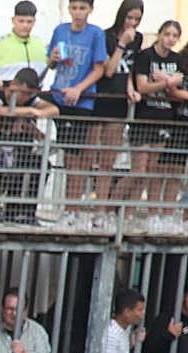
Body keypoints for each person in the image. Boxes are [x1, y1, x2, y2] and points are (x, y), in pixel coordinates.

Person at [46, 0, 108, 232]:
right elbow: (51, 63)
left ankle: (75, 209)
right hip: (60, 95)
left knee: (80, 157)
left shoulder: (95, 34)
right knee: (68, 157)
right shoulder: (60, 30)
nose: (78, 13)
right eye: (74, 8)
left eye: (82, 8)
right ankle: (69, 209)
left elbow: (99, 68)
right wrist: (52, 58)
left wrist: (79, 89)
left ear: (90, 10)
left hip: (82, 100)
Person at [0, 68, 60, 225]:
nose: (25, 97)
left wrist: (32, 114)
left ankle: (25, 212)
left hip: (19, 149)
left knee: (40, 166)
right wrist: (29, 111)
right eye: (23, 93)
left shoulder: (31, 99)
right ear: (13, 84)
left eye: (29, 94)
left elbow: (53, 110)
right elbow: (0, 110)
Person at [131, 20, 184, 235]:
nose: (170, 39)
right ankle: (123, 211)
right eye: (167, 34)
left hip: (165, 117)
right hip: (145, 116)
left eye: (174, 36)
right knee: (139, 170)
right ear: (159, 34)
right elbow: (143, 86)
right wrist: (167, 82)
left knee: (154, 170)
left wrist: (168, 81)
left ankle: (153, 216)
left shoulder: (177, 59)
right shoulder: (145, 56)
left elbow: (178, 86)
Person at [91, 1, 143, 213]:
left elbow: (130, 70)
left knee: (108, 161)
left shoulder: (138, 39)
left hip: (119, 103)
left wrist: (131, 87)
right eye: (129, 17)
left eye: (136, 19)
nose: (132, 23)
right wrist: (122, 44)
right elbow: (109, 70)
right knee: (88, 157)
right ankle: (82, 208)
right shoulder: (107, 36)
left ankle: (102, 209)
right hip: (101, 98)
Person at [0, 1, 45, 83]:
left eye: (29, 21)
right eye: (21, 21)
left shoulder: (40, 44)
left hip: (34, 92)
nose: (25, 25)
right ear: (13, 20)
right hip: (4, 93)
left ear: (34, 22)